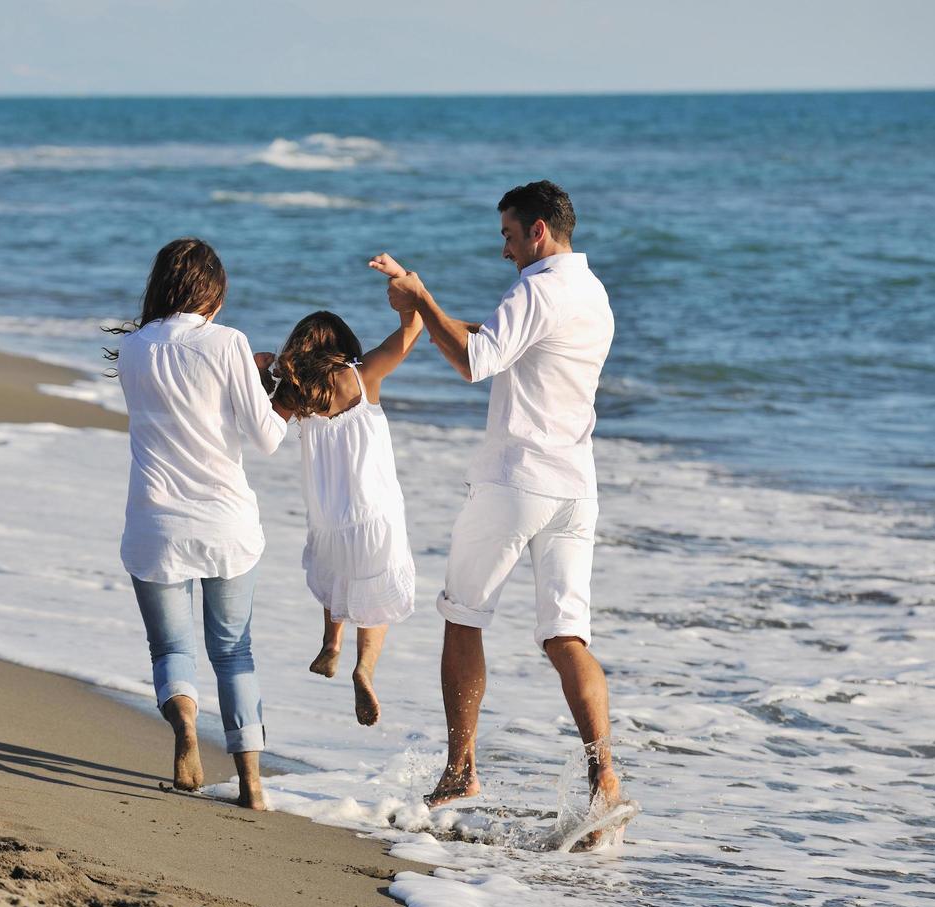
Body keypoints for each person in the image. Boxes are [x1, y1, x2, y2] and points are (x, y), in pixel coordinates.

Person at [378, 180, 622, 824]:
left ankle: (461, 772)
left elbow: (477, 360)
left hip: (516, 481)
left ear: (538, 231)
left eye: (510, 236)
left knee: (464, 615)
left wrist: (421, 297)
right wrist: (423, 310)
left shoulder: (536, 288)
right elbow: (495, 338)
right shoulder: (591, 292)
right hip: (576, 487)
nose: (505, 250)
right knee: (566, 635)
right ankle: (605, 777)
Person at [110, 237, 288, 809]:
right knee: (234, 651)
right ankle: (251, 783)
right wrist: (279, 392)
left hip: (154, 522)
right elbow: (265, 437)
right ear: (213, 291)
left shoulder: (134, 349)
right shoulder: (229, 342)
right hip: (225, 522)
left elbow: (174, 405)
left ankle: (187, 730)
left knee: (171, 649)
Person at [271, 257, 423, 726]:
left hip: (327, 516)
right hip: (374, 510)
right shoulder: (363, 375)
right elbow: (413, 328)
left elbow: (260, 426)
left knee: (336, 575)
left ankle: (331, 642)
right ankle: (364, 670)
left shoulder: (295, 394)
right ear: (343, 344)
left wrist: (260, 374)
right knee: (374, 589)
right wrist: (403, 285)